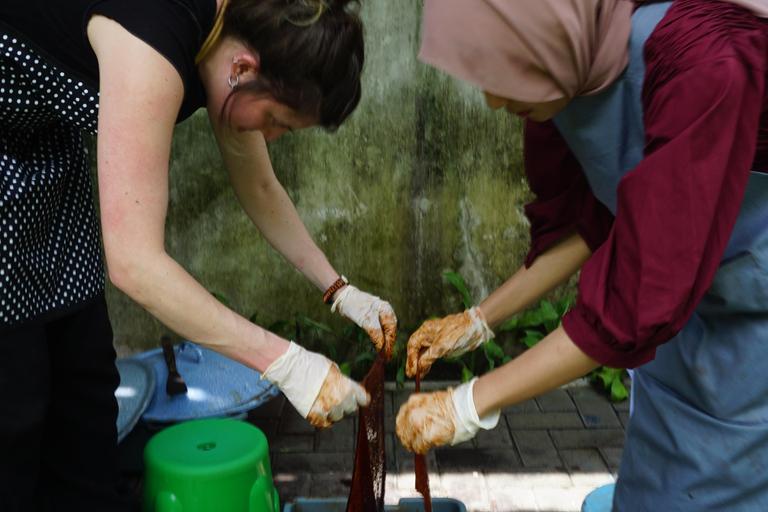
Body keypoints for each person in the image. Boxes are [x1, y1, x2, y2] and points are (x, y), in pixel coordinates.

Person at [0, 0, 397, 510]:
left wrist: (339, 291)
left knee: (83, 394)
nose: (271, 135)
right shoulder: (153, 39)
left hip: (45, 149)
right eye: (278, 120)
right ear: (244, 68)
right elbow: (135, 263)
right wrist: (285, 362)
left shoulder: (225, 38)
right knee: (15, 401)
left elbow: (257, 181)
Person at [395, 0, 768, 510]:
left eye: (501, 71)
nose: (492, 102)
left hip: (752, 335)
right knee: (654, 481)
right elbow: (598, 217)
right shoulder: (570, 64)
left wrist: (469, 402)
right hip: (687, 319)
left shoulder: (701, 57)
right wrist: (479, 319)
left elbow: (635, 300)